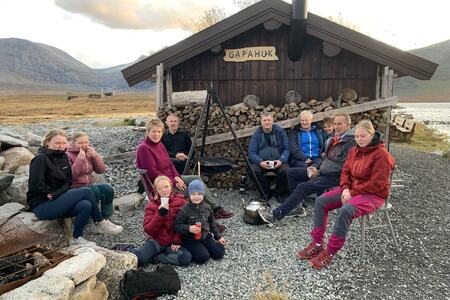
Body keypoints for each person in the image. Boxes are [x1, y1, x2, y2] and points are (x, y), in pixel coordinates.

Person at [297, 120, 395, 269]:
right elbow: (345, 171)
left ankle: (329, 252)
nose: (359, 139)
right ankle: (317, 243)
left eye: (363, 136)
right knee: (321, 201)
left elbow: (377, 183)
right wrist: (345, 189)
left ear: (372, 134)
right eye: (357, 136)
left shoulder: (381, 155)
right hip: (351, 191)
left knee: (346, 210)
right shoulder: (354, 150)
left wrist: (352, 192)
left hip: (373, 195)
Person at [27, 130, 123, 246]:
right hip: (42, 205)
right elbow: (36, 186)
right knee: (87, 191)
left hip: (57, 199)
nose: (61, 146)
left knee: (85, 205)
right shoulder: (40, 159)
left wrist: (58, 193)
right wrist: (56, 194)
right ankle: (100, 221)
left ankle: (76, 238)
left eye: (63, 143)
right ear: (47, 142)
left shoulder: (62, 157)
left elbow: (68, 182)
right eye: (57, 143)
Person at [136, 119, 234, 229]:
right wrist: (173, 181)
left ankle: (216, 209)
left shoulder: (160, 145)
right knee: (194, 192)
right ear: (148, 132)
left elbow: (170, 164)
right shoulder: (144, 148)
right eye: (153, 131)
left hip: (171, 179)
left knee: (196, 179)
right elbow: (153, 173)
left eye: (159, 132)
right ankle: (208, 223)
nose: (156, 134)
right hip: (160, 186)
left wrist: (177, 177)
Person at [258, 113, 356, 220]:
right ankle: (298, 206)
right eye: (335, 124)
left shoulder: (351, 142)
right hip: (321, 170)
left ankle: (275, 215)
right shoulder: (334, 139)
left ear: (348, 125)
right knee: (291, 172)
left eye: (339, 124)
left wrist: (319, 172)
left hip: (335, 177)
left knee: (303, 187)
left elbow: (346, 167)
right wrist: (315, 168)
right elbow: (326, 159)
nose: (336, 127)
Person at [110, 176, 192, 267]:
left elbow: (185, 223)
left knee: (185, 258)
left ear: (171, 187)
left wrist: (177, 240)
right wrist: (160, 215)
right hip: (157, 240)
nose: (164, 190)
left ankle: (155, 258)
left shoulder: (181, 202)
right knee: (140, 261)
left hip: (172, 242)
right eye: (160, 188)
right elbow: (148, 230)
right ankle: (128, 248)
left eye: (166, 187)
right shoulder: (151, 206)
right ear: (156, 191)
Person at [66, 132, 120, 225]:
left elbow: (101, 170)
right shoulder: (68, 154)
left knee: (108, 189)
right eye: (80, 143)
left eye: (86, 142)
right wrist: (80, 158)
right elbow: (71, 175)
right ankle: (91, 219)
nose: (84, 145)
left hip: (88, 185)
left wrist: (95, 157)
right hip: (74, 188)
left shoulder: (89, 152)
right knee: (94, 190)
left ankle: (107, 216)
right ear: (73, 143)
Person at [175, 180, 225, 264]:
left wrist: (218, 236)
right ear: (189, 195)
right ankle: (191, 249)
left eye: (199, 194)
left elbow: (212, 224)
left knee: (219, 254)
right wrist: (189, 228)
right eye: (193, 194)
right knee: (203, 257)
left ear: (203, 194)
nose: (196, 197)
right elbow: (177, 226)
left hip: (205, 236)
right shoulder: (184, 209)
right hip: (190, 239)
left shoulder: (207, 207)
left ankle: (206, 246)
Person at [248, 112, 289, 200]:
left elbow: (286, 149)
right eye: (265, 120)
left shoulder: (280, 132)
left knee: (286, 171)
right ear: (261, 122)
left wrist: (281, 160)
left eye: (269, 120)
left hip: (278, 161)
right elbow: (251, 152)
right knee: (252, 171)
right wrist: (260, 162)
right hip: (262, 162)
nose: (267, 122)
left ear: (273, 121)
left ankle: (279, 192)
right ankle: (266, 191)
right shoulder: (257, 134)